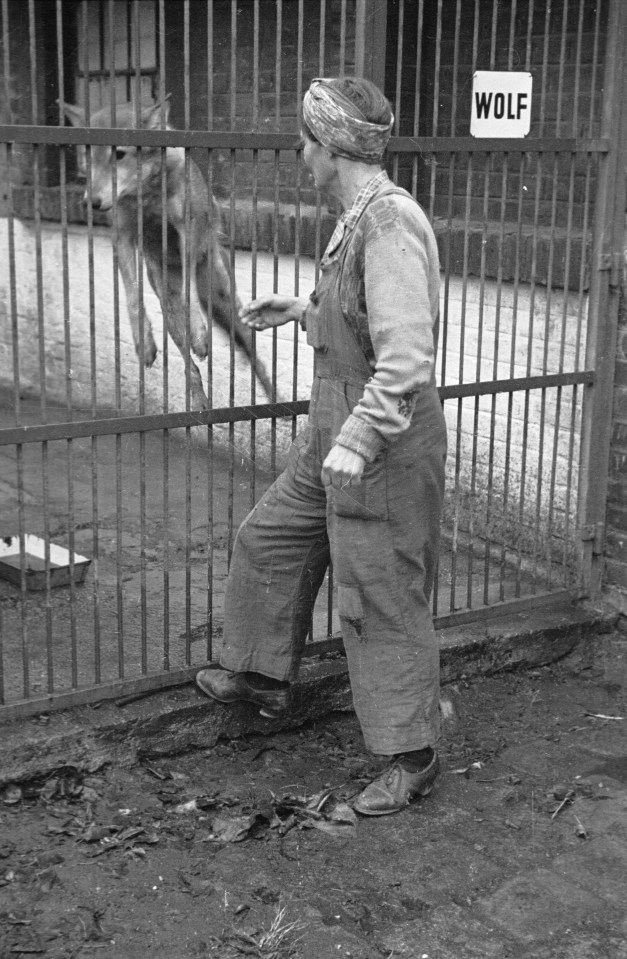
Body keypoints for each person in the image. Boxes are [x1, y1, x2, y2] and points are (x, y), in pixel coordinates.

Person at [196, 76, 447, 816]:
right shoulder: (355, 216)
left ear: (333, 148)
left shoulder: (388, 223)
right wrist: (302, 308)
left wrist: (361, 436)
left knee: (380, 599)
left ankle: (413, 755)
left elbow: (406, 356)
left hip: (383, 443)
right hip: (334, 430)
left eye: (305, 142)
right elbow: (362, 317)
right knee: (268, 538)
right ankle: (262, 675)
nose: (298, 154)